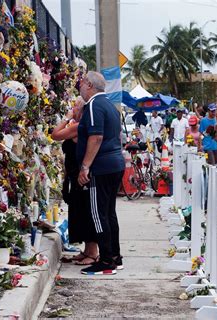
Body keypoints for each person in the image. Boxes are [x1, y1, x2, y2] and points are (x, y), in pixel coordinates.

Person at [77, 71, 125, 275]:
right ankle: (115, 255)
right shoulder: (110, 106)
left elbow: (96, 137)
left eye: (81, 82)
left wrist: (85, 166)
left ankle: (106, 260)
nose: (79, 86)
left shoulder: (95, 105)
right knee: (109, 212)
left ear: (89, 84)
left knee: (98, 214)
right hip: (114, 164)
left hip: (101, 166)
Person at [52, 97, 98, 265]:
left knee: (85, 211)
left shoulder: (79, 127)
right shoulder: (78, 126)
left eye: (76, 107)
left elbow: (55, 135)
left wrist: (66, 118)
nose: (73, 109)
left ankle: (93, 252)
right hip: (73, 174)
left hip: (80, 175)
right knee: (78, 211)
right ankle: (87, 250)